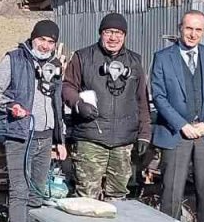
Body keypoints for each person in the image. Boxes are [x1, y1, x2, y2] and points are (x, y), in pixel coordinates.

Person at [0, 19, 68, 222]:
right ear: (33, 38)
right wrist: (11, 106)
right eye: (41, 39)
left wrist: (59, 139)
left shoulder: (54, 65)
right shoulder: (14, 59)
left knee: (37, 191)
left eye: (50, 42)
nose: (44, 45)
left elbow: (57, 104)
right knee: (19, 190)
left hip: (45, 135)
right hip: (20, 135)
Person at [150, 10, 204, 222]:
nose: (193, 34)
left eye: (198, 29)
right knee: (171, 191)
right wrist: (181, 125)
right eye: (189, 28)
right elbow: (159, 96)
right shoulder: (163, 57)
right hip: (176, 134)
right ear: (180, 28)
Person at [62, 13, 151, 201]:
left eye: (118, 33)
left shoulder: (135, 62)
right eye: (109, 32)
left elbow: (142, 100)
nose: (113, 37)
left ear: (124, 36)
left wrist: (144, 134)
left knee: (118, 196)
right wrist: (78, 103)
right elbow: (67, 86)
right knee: (86, 195)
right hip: (90, 138)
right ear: (101, 33)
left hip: (123, 141)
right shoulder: (83, 57)